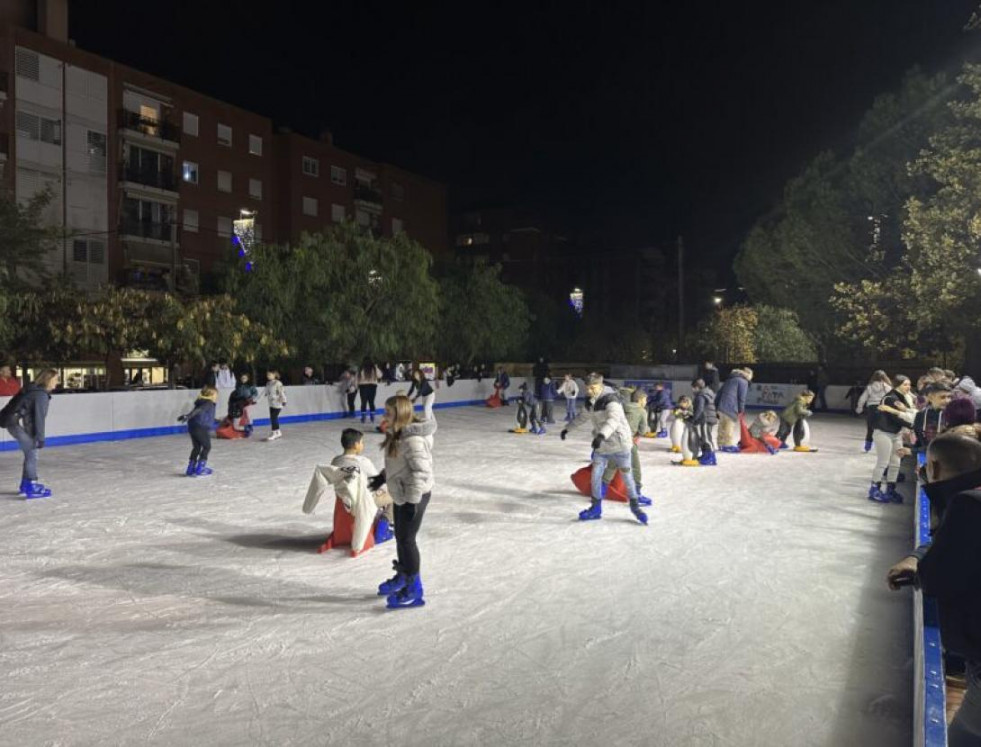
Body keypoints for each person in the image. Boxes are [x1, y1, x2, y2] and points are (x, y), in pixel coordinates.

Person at [886, 434, 981, 746]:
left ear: (935, 467)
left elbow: (939, 578)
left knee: (965, 737)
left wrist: (919, 565)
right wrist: (917, 556)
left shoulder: (968, 504)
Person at [374, 395, 438, 609]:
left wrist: (412, 501)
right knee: (401, 538)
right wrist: (383, 477)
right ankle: (404, 575)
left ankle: (414, 589)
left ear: (400, 415)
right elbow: (399, 465)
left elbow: (420, 472)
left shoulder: (413, 440)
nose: (384, 416)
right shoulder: (397, 434)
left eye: (388, 413)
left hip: (415, 495)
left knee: (407, 540)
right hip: (403, 493)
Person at [560, 373, 648, 525]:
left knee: (627, 476)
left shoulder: (611, 400)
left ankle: (635, 507)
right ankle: (595, 508)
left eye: (593, 387)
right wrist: (567, 429)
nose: (589, 391)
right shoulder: (591, 401)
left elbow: (613, 420)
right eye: (587, 388)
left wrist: (601, 435)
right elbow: (582, 417)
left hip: (620, 444)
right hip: (603, 446)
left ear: (600, 386)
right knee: (596, 476)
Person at [303, 428, 395, 553]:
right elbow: (378, 483)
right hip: (362, 502)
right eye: (362, 442)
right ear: (356, 445)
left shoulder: (336, 461)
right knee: (395, 494)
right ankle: (383, 528)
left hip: (344, 501)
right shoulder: (364, 462)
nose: (363, 445)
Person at [0, 368, 58, 498]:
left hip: (9, 419)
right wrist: (39, 438)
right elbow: (38, 417)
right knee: (31, 451)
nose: (57, 383)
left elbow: (27, 414)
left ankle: (26, 484)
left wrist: (33, 435)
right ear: (48, 380)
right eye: (55, 379)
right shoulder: (40, 395)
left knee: (30, 450)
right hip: (13, 422)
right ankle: (31, 484)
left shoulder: (32, 389)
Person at [602, 388, 652, 503]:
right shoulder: (641, 411)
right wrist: (637, 434)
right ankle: (637, 493)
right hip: (628, 443)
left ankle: (601, 490)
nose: (646, 402)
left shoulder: (621, 407)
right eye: (645, 399)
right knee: (635, 467)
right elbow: (643, 430)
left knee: (612, 466)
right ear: (640, 400)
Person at [868, 375, 912, 503]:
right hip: (883, 433)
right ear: (897, 385)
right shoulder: (891, 398)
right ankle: (874, 489)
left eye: (909, 384)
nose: (908, 387)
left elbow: (909, 412)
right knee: (883, 461)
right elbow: (896, 417)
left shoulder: (903, 397)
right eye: (905, 384)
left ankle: (891, 489)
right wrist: (912, 426)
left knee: (895, 462)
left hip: (896, 433)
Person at [177, 385, 218, 477]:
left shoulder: (200, 402)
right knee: (207, 447)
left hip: (193, 426)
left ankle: (190, 469)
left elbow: (199, 412)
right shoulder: (209, 403)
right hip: (201, 427)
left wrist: (187, 416)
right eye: (215, 395)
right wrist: (188, 416)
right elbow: (199, 410)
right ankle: (200, 468)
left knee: (197, 447)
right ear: (211, 395)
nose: (216, 397)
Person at [715, 368, 752, 453]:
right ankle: (727, 445)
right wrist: (741, 411)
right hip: (731, 407)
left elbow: (719, 393)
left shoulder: (730, 379)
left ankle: (720, 444)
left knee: (722, 426)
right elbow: (741, 398)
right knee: (729, 427)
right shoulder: (743, 382)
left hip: (721, 406)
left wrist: (716, 406)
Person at [857, 370, 892, 453]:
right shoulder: (888, 387)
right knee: (883, 429)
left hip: (872, 408)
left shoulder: (870, 387)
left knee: (870, 429)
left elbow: (863, 398)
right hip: (883, 408)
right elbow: (891, 398)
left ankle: (867, 447)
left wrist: (859, 407)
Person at [913, 382, 952, 456]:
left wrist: (914, 451)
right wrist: (919, 457)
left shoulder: (953, 415)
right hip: (927, 458)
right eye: (942, 397)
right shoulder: (920, 415)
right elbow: (919, 439)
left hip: (948, 459)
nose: (947, 400)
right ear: (930, 397)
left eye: (949, 397)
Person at [691, 378, 719, 466]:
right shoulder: (706, 394)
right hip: (707, 418)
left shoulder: (701, 396)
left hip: (705, 419)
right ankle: (705, 455)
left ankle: (711, 457)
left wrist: (694, 419)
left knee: (706, 438)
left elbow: (699, 409)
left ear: (697, 387)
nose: (692, 390)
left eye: (693, 388)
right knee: (704, 438)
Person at [263, 369, 287, 441]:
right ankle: (278, 432)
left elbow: (282, 392)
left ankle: (274, 433)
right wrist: (256, 400)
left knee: (273, 417)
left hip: (278, 403)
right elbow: (264, 392)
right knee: (272, 418)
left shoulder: (278, 383)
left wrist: (284, 400)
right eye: (267, 375)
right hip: (271, 404)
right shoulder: (268, 384)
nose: (268, 376)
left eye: (269, 375)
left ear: (274, 375)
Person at [357, 358, 382, 424]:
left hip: (363, 387)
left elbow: (357, 378)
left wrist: (355, 385)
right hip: (372, 387)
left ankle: (363, 417)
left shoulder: (361, 369)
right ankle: (372, 417)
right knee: (371, 402)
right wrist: (376, 367)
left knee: (363, 402)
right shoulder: (374, 368)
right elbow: (380, 375)